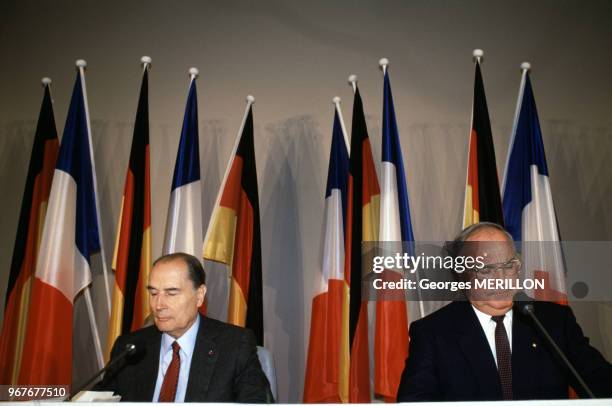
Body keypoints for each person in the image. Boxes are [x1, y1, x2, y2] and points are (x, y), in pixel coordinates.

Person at [396, 222, 612, 401]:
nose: (501, 278)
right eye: (487, 269)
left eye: (508, 265)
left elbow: (600, 382)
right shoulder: (433, 332)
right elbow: (414, 401)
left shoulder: (553, 321)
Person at [95, 252, 273, 402]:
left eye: (171, 293)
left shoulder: (234, 345)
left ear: (199, 295)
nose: (158, 305)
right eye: (153, 293)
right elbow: (98, 398)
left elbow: (257, 402)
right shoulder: (129, 348)